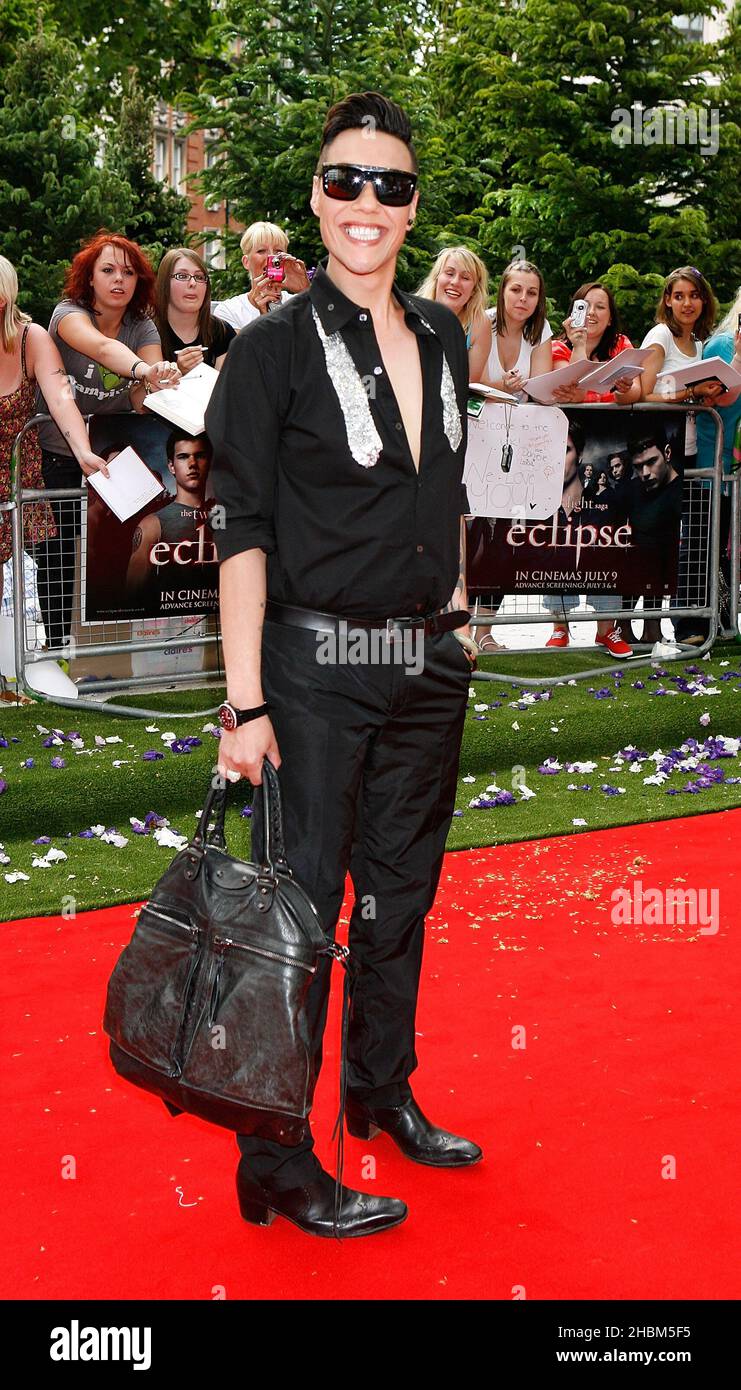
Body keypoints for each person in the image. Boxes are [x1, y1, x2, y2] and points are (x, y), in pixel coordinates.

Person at [206, 90, 482, 1240]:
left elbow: (450, 489)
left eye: (392, 185)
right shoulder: (268, 349)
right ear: (317, 200)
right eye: (346, 182)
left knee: (402, 901)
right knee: (300, 916)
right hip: (312, 669)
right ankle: (275, 1156)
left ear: (414, 208)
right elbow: (242, 530)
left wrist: (458, 615)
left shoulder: (444, 336)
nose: (368, 204)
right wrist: (244, 704)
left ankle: (379, 1088)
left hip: (424, 662)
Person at [34, 231, 179, 653]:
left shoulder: (143, 324)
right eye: (109, 270)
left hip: (117, 458)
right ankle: (56, 644)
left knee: (116, 545)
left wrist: (157, 384)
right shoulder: (67, 314)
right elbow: (99, 346)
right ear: (89, 278)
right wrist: (141, 368)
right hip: (59, 452)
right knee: (57, 551)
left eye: (129, 272)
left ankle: (110, 648)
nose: (120, 279)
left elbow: (142, 399)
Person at [0, 255, 111, 692]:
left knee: (39, 579)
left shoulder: (32, 339)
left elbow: (62, 397)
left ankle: (41, 662)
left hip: (20, 481)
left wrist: (82, 450)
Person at [675, 288, 741, 643]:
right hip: (709, 462)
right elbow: (722, 399)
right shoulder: (722, 346)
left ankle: (724, 623)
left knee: (726, 550)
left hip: (732, 472)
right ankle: (690, 627)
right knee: (701, 545)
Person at [544, 420, 632, 657]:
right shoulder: (540, 498)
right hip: (552, 514)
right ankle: (559, 628)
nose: (559, 458)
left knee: (606, 553)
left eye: (565, 450)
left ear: (580, 455)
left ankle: (605, 630)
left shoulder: (598, 497)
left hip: (597, 537)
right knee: (556, 552)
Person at [126, 432, 214, 604]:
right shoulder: (152, 524)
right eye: (183, 457)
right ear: (171, 466)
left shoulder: (226, 517)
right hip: (166, 621)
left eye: (199, 456)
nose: (192, 464)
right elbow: (132, 597)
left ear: (209, 462)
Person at [550, 282, 640, 406]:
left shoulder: (621, 343)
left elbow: (635, 392)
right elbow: (574, 393)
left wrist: (623, 390)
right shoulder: (557, 347)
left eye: (600, 307)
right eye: (584, 306)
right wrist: (579, 345)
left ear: (610, 319)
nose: (591, 312)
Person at [212, 222, 311, 329]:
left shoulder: (298, 304)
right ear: (246, 262)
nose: (272, 257)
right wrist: (264, 317)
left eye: (279, 251)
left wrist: (306, 291)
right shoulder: (229, 311)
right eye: (261, 251)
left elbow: (323, 337)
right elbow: (244, 346)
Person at [417, 246, 492, 382]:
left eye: (465, 277)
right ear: (437, 277)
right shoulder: (413, 313)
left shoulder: (479, 323)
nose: (455, 282)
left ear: (474, 290)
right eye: (449, 273)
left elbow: (469, 382)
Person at [154, 248, 235, 374]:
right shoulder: (147, 331)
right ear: (164, 282)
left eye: (199, 277)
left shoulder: (221, 331)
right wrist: (178, 371)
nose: (193, 283)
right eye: (182, 276)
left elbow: (226, 389)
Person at [483, 259, 552, 397]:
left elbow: (540, 394)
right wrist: (503, 387)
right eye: (516, 290)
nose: (523, 298)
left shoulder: (541, 327)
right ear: (503, 292)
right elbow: (473, 384)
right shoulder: (483, 322)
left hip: (523, 415)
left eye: (532, 293)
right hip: (481, 415)